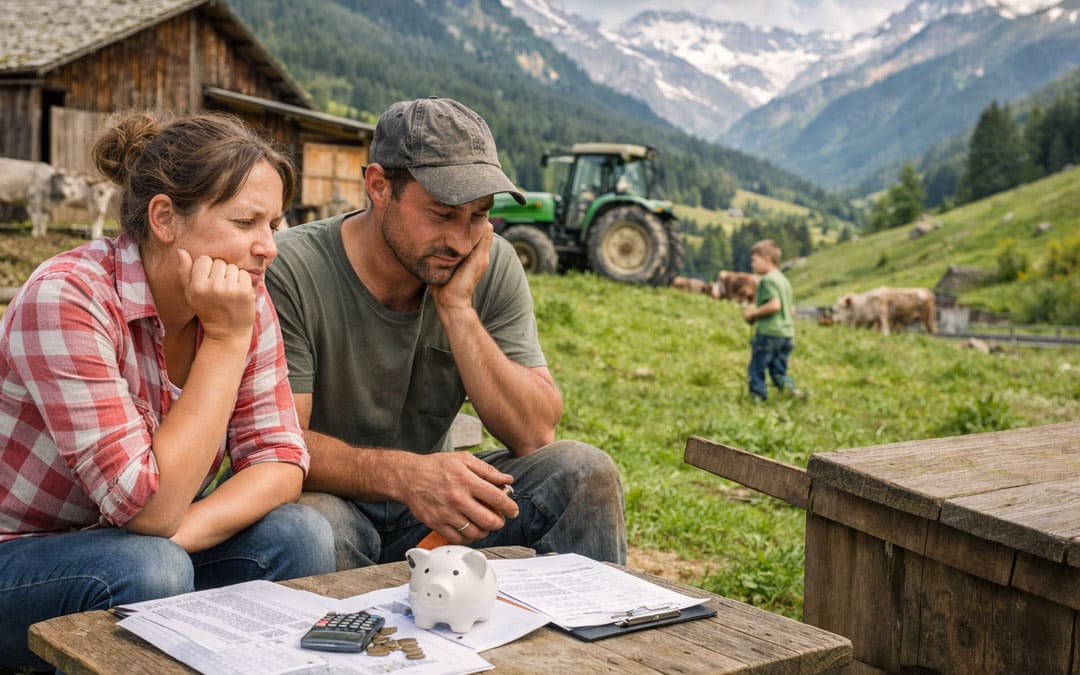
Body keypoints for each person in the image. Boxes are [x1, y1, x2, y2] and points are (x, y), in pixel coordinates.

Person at [0, 111, 335, 670]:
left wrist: (178, 536)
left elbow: (280, 457)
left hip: (147, 543)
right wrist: (225, 342)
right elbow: (147, 511)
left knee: (300, 534)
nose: (268, 247)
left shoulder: (245, 297)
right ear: (164, 218)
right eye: (246, 222)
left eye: (274, 224)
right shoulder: (68, 298)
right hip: (20, 560)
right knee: (147, 570)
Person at [265, 97, 627, 570]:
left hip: (436, 511)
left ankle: (587, 642)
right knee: (315, 528)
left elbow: (535, 433)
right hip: (330, 496)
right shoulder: (290, 268)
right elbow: (280, 442)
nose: (461, 241)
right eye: (441, 213)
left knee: (582, 472)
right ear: (378, 186)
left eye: (478, 215)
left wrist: (457, 310)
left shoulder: (487, 260)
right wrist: (407, 475)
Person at [742, 239, 801, 401]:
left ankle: (757, 398)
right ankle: (792, 392)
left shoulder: (768, 280)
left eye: (754, 260)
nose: (752, 264)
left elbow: (775, 305)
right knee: (778, 370)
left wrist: (753, 314)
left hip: (768, 333)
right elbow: (791, 309)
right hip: (786, 333)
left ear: (767, 259)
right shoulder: (783, 280)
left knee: (757, 368)